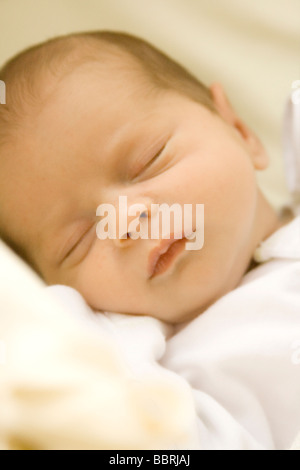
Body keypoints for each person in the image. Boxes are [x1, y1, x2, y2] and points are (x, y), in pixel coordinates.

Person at [0, 31, 295, 324]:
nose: (126, 221)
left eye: (149, 162)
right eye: (78, 242)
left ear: (238, 128)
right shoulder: (122, 356)